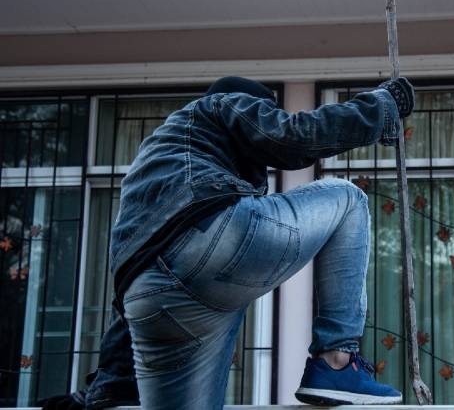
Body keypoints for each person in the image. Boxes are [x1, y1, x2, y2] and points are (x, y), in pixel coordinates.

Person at [40, 76, 414, 409]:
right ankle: (337, 362)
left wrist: (105, 386)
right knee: (348, 199)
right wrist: (381, 107)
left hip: (148, 301)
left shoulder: (151, 170)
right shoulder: (218, 105)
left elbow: (132, 286)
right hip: (208, 237)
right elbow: (291, 135)